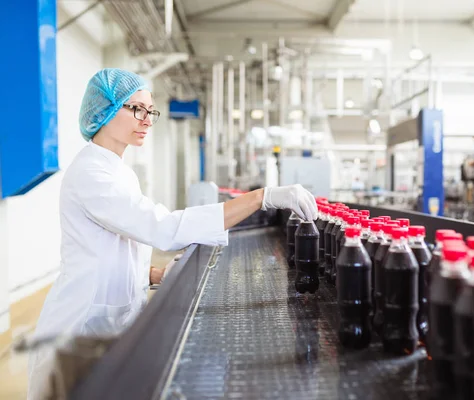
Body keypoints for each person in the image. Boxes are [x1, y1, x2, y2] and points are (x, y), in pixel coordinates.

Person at [27, 68, 318, 398]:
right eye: (136, 108)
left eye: (151, 111)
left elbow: (111, 248)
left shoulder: (118, 171)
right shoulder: (92, 174)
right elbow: (162, 228)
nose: (147, 120)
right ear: (105, 110)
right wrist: (260, 197)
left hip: (109, 324)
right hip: (80, 329)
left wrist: (151, 274)